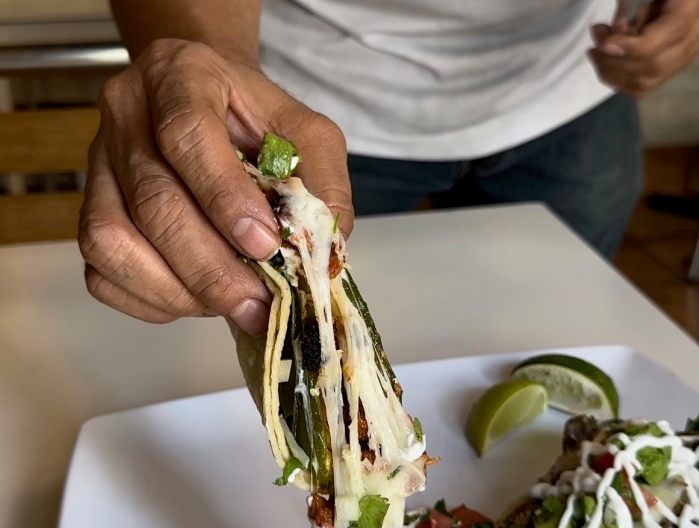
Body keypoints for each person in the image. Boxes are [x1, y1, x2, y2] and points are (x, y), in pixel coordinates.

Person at [79, 0, 699, 336]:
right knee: (315, 357)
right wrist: (208, 68)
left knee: (557, 346)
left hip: (575, 89)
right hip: (303, 106)